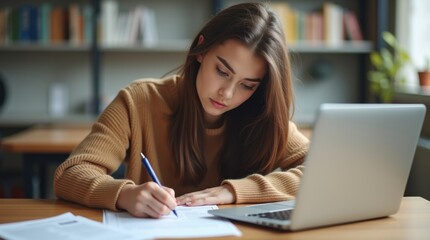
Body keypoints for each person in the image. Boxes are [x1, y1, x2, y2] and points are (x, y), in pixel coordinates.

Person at [54, 2, 309, 219]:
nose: (227, 94)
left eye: (247, 85)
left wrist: (234, 191)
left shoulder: (262, 114)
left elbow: (322, 172)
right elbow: (70, 174)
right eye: (222, 71)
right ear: (202, 50)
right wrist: (124, 194)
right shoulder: (139, 101)